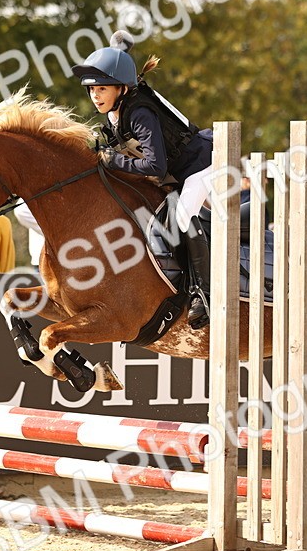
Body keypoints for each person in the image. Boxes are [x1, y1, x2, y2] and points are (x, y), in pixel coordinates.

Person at [71, 31, 215, 328]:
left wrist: (113, 160)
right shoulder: (115, 112)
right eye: (91, 90)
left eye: (100, 89)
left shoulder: (139, 112)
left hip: (201, 165)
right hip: (178, 174)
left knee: (183, 216)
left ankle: (203, 293)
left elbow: (156, 165)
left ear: (121, 88)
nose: (94, 96)